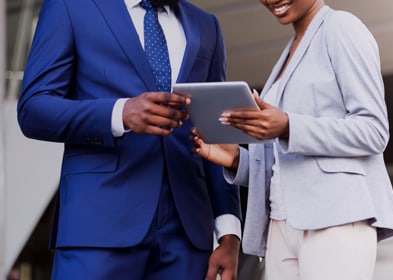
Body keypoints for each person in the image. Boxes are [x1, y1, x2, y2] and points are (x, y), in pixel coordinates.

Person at [17, 0, 241, 279]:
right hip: (98, 226)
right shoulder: (69, 7)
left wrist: (229, 233)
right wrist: (120, 113)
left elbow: (217, 132)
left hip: (187, 234)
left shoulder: (206, 25)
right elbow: (34, 110)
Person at [192, 0, 393, 279]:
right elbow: (287, 165)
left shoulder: (341, 28)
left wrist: (289, 127)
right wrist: (236, 161)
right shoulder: (291, 49)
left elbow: (373, 130)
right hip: (281, 225)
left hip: (334, 219)